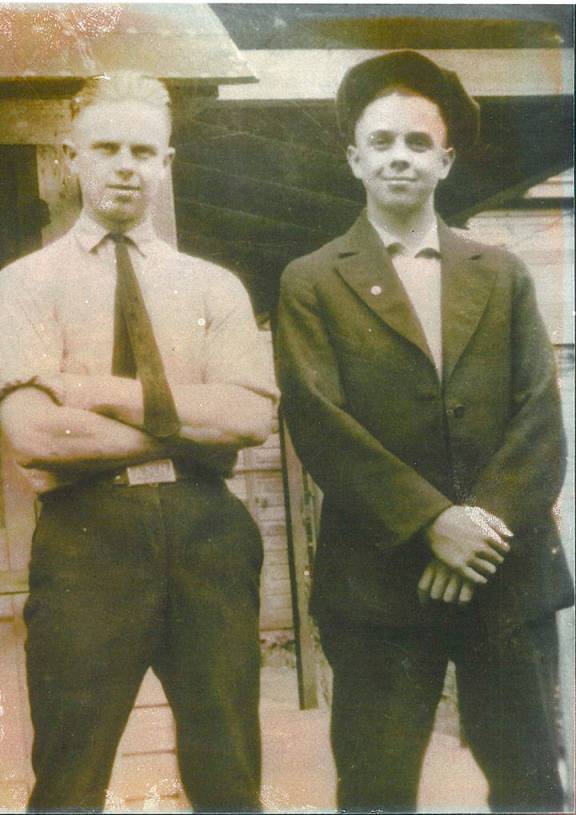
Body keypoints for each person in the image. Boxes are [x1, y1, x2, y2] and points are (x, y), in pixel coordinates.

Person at [275, 50, 573, 812]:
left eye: (416, 142)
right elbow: (319, 421)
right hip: (380, 581)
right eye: (381, 142)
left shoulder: (499, 271)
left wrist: (478, 533)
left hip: (505, 573)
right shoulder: (312, 279)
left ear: (445, 160)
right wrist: (430, 524)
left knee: (532, 782)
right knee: (376, 788)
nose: (399, 157)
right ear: (354, 159)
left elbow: (539, 415)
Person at [0, 72, 278, 812]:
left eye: (142, 150)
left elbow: (248, 419)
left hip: (208, 529)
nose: (125, 164)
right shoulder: (25, 283)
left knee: (229, 767)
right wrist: (186, 428)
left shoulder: (214, 287)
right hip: (89, 536)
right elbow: (34, 431)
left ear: (165, 163)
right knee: (69, 771)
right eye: (107, 147)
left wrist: (103, 392)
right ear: (69, 158)